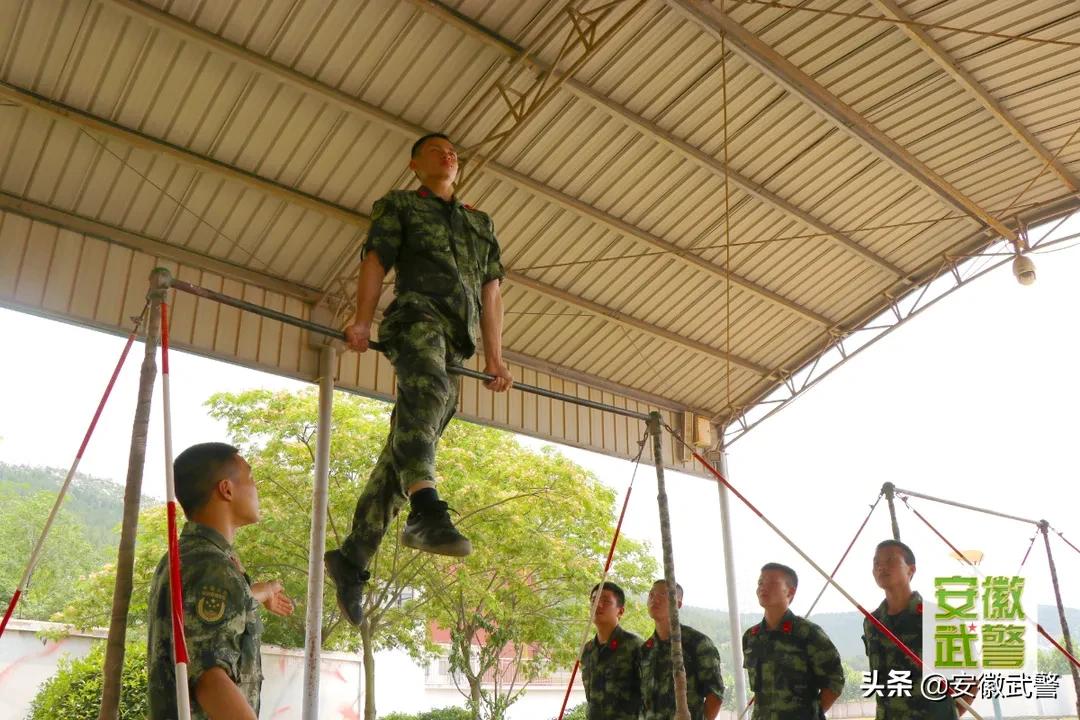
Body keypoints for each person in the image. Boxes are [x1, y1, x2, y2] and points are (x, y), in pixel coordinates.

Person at [323, 132, 513, 626]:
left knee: (409, 444)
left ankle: (353, 557)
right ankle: (426, 509)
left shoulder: (479, 222)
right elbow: (375, 260)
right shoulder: (401, 205)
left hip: (457, 341)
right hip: (416, 318)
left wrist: (495, 358)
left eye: (452, 151)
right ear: (414, 164)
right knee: (425, 399)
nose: (447, 154)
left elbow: (491, 291)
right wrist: (362, 320)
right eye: (434, 149)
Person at [147, 442, 295, 720]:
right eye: (250, 478)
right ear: (226, 489)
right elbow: (210, 678)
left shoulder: (185, 557)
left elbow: (206, 619)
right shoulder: (211, 568)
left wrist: (261, 592)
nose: (256, 489)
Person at [863, 539, 968, 719]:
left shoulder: (940, 618)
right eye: (876, 563)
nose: (881, 567)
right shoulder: (872, 622)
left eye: (890, 560)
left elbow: (970, 676)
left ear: (911, 569)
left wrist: (950, 712)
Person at [742, 562, 844, 719]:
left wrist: (811, 714)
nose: (763, 588)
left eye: (772, 583)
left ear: (790, 591)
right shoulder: (751, 636)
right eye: (760, 583)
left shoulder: (808, 633)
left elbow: (834, 682)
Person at [639, 579, 724, 720]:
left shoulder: (697, 643)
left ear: (678, 604)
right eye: (651, 595)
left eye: (663, 594)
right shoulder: (646, 649)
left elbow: (715, 694)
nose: (655, 599)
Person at [580, 581, 644, 720]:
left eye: (606, 601)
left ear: (620, 611)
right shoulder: (588, 650)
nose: (598, 605)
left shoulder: (635, 646)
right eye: (594, 600)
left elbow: (651, 697)